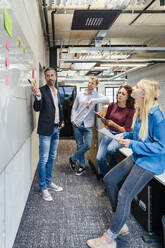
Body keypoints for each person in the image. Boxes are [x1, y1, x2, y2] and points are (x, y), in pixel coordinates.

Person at [87, 78, 165, 248]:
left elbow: (161, 147)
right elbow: (137, 134)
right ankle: (120, 223)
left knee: (125, 195)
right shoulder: (141, 110)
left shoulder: (157, 117)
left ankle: (110, 238)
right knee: (109, 179)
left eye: (137, 87)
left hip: (150, 163)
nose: (133, 89)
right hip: (138, 156)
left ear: (144, 93)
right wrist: (126, 136)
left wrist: (132, 144)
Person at [32, 67, 64, 202]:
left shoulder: (57, 91)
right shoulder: (42, 90)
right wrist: (38, 97)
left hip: (56, 128)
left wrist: (62, 120)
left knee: (52, 157)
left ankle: (49, 182)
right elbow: (37, 108)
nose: (50, 77)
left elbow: (59, 107)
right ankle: (43, 187)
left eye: (52, 75)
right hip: (45, 130)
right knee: (44, 159)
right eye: (47, 76)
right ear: (45, 78)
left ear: (55, 77)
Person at [69, 76, 110, 176]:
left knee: (87, 145)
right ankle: (82, 166)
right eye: (89, 82)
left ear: (96, 85)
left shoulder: (96, 95)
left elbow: (107, 99)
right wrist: (72, 119)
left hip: (88, 125)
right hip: (77, 123)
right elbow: (74, 108)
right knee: (79, 145)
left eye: (92, 83)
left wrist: (93, 100)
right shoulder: (80, 94)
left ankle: (73, 159)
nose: (90, 84)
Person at [96, 85, 135, 176]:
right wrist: (101, 117)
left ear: (128, 97)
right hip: (109, 133)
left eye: (123, 94)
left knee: (111, 149)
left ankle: (112, 165)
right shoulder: (112, 105)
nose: (119, 95)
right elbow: (106, 121)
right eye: (119, 93)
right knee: (99, 158)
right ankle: (107, 176)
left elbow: (126, 130)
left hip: (121, 135)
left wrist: (114, 124)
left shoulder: (131, 111)